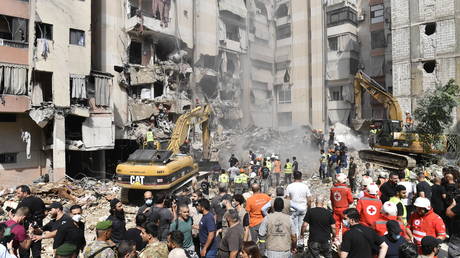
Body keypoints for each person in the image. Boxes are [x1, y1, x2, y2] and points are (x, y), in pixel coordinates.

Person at [15, 185, 45, 258]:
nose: (17, 195)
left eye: (19, 193)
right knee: (36, 253)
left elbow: (17, 216)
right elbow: (45, 213)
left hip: (26, 231)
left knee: (24, 253)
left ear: (25, 193)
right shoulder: (39, 200)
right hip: (37, 230)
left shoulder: (23, 203)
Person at [286, 171, 311, 247]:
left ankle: (295, 243)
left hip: (293, 210)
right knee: (301, 226)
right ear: (301, 177)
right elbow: (309, 199)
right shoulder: (305, 186)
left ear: (293, 177)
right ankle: (301, 243)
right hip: (303, 208)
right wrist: (309, 208)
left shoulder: (289, 186)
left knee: (294, 227)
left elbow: (287, 199)